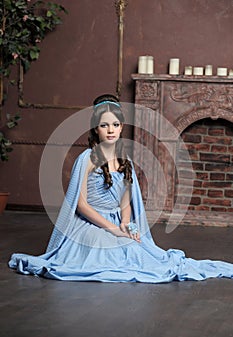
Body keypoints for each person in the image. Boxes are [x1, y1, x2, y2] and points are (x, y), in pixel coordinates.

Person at [8, 94, 233, 283]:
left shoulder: (124, 159)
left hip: (116, 220)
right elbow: (80, 204)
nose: (110, 130)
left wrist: (125, 224)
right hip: (90, 222)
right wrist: (110, 228)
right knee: (105, 251)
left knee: (137, 251)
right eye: (104, 125)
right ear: (96, 129)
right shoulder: (87, 158)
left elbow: (126, 200)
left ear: (121, 127)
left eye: (115, 125)